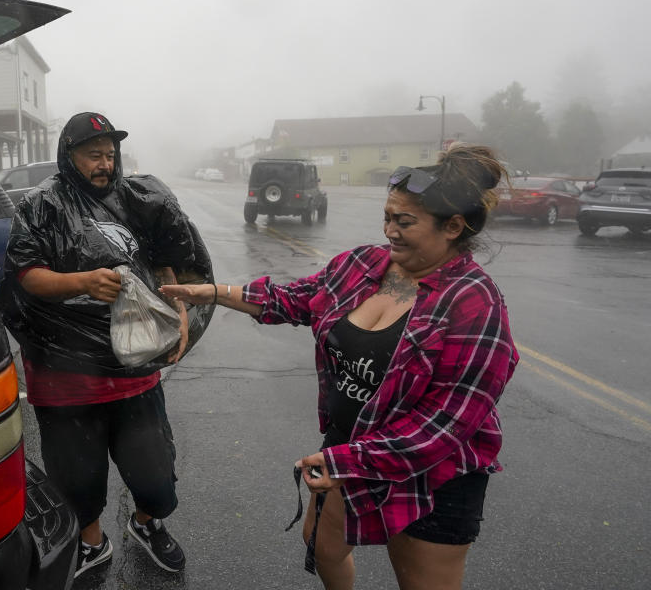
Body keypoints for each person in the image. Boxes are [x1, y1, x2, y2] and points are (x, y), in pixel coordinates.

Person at [161, 143, 519, 590]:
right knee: (322, 545)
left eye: (404, 222)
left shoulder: (473, 302)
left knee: (418, 579)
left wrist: (350, 461)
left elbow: (444, 426)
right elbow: (296, 300)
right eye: (388, 217)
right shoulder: (363, 264)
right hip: (349, 448)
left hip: (430, 473)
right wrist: (214, 292)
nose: (390, 231)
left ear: (453, 227)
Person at [0, 112, 201, 578]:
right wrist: (82, 281)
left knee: (154, 472)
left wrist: (178, 312)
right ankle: (92, 543)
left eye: (110, 155)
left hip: (135, 372)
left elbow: (168, 265)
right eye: (94, 155)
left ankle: (146, 524)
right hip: (65, 375)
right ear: (68, 155)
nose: (105, 164)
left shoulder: (136, 200)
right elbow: (24, 276)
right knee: (78, 477)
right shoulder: (41, 204)